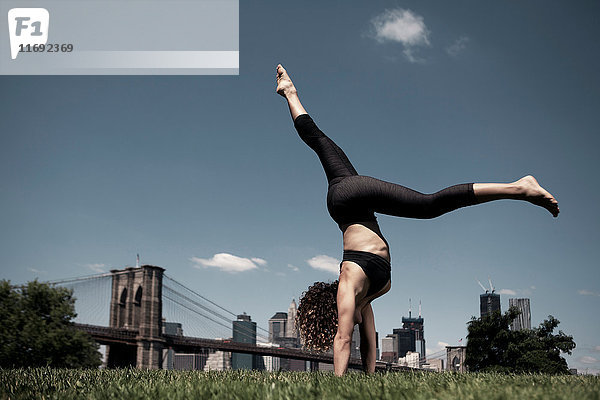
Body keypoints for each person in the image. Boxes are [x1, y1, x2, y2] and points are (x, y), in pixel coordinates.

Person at [275, 64, 559, 376]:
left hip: (349, 199)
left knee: (428, 205)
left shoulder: (348, 289)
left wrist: (338, 384)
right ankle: (290, 93)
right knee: (319, 140)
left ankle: (520, 188)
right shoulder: (362, 299)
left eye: (343, 319)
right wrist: (367, 380)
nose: (351, 323)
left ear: (336, 310)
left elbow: (343, 340)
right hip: (352, 205)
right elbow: (367, 342)